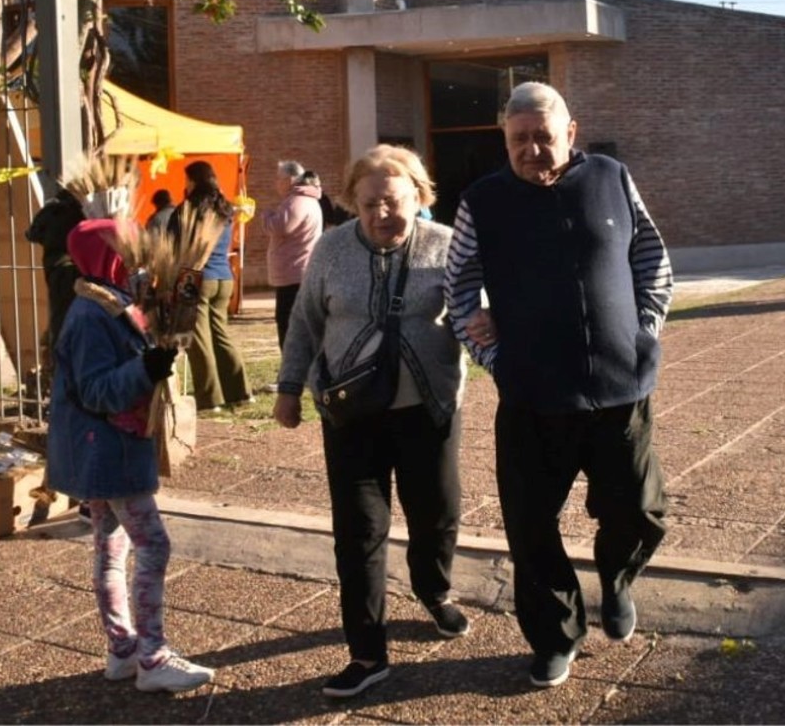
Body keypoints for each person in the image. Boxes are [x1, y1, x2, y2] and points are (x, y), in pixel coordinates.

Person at [445, 81, 673, 689]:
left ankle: (617, 581)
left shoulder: (611, 178)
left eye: (543, 137)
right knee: (530, 527)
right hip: (533, 398)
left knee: (638, 511)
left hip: (620, 391)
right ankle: (554, 635)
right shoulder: (482, 201)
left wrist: (642, 332)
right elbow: (460, 288)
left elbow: (652, 257)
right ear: (505, 140)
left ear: (569, 133)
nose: (531, 150)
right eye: (518, 140)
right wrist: (494, 358)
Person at [273, 145, 468, 699]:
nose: (382, 214)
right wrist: (288, 389)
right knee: (358, 532)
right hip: (350, 413)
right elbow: (306, 325)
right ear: (352, 204)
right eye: (369, 205)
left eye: (393, 201)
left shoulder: (447, 246)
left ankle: (434, 591)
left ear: (420, 197)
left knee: (436, 514)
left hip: (427, 411)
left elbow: (476, 316)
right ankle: (367, 651)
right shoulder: (332, 250)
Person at [46, 218, 214, 694]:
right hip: (108, 449)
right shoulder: (90, 315)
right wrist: (145, 368)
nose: (137, 254)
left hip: (104, 448)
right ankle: (152, 657)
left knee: (110, 544)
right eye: (126, 248)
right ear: (108, 255)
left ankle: (122, 651)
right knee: (153, 545)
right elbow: (97, 390)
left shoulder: (109, 298)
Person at [174, 160, 253, 412]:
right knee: (221, 334)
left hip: (198, 277)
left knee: (200, 340)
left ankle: (210, 398)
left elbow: (174, 243)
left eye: (187, 180)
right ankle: (239, 391)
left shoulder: (188, 208)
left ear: (193, 181)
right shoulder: (225, 208)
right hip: (224, 277)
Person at [264, 161, 324, 349]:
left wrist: (266, 216)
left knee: (289, 326)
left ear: (290, 180)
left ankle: (293, 373)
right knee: (292, 325)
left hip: (294, 274)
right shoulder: (304, 200)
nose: (276, 183)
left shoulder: (297, 201)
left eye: (279, 179)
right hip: (296, 271)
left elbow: (280, 227)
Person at [24, 188, 86, 355]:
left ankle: (57, 351)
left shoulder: (50, 211)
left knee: (58, 312)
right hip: (76, 268)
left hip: (53, 267)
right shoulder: (81, 211)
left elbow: (31, 234)